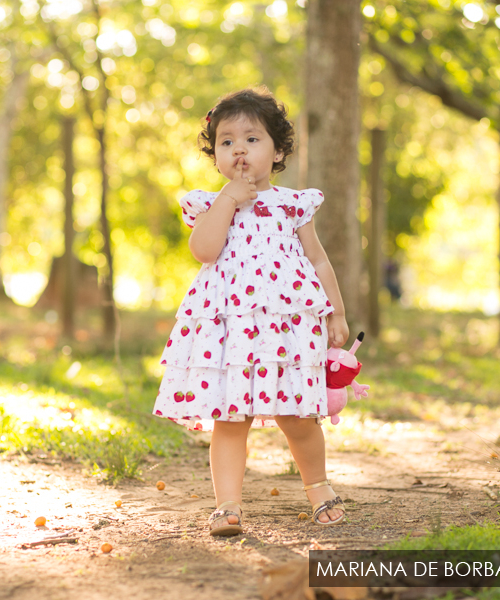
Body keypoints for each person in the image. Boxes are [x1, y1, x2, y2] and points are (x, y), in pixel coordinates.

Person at [153, 87, 354, 536]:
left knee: (298, 417)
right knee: (230, 419)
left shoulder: (292, 204)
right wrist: (228, 199)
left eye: (252, 139)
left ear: (278, 150)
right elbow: (204, 251)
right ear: (216, 154)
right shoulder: (210, 204)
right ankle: (227, 505)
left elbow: (318, 260)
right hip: (232, 331)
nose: (238, 149)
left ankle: (319, 488)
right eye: (226, 142)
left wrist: (335, 312)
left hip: (285, 329)